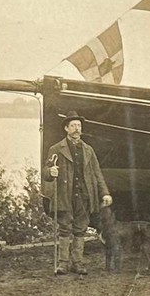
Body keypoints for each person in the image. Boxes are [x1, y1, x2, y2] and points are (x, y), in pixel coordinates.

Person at [44, 116, 110, 277]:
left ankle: (78, 263)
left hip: (84, 195)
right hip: (65, 194)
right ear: (66, 129)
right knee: (65, 228)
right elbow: (46, 170)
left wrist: (105, 192)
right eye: (73, 125)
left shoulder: (88, 150)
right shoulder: (56, 149)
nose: (76, 128)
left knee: (80, 229)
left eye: (79, 125)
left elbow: (97, 173)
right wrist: (50, 172)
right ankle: (63, 264)